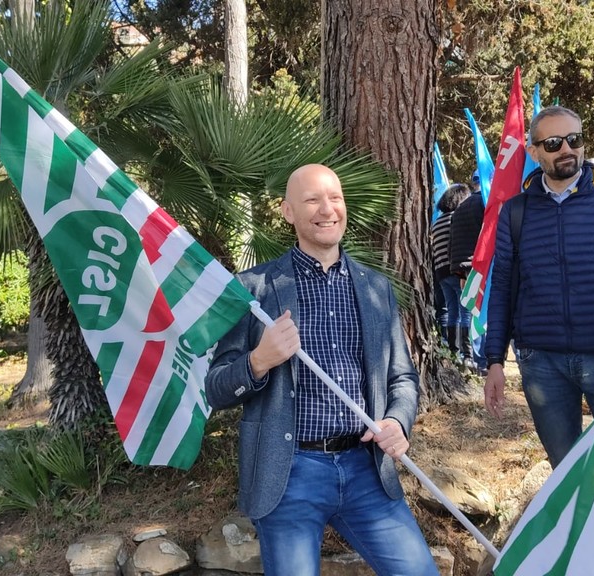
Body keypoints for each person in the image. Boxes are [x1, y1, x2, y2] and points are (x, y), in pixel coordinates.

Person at [205, 164, 439, 576]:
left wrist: (398, 421)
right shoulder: (253, 289)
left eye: (335, 198)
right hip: (290, 473)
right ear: (288, 212)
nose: (327, 209)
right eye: (312, 200)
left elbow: (402, 378)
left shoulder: (376, 287)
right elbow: (216, 388)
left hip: (366, 470)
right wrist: (259, 360)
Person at [482, 106, 594, 469]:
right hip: (542, 363)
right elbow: (502, 287)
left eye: (574, 139)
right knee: (565, 468)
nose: (566, 149)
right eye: (553, 143)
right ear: (534, 151)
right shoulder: (515, 212)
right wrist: (495, 361)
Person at [447, 172, 486, 370]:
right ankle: (481, 359)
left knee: (468, 310)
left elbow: (452, 242)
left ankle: (473, 357)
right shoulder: (485, 203)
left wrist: (458, 270)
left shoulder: (460, 208)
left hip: (462, 267)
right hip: (480, 264)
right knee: (480, 310)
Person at [431, 183, 472, 358]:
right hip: (457, 271)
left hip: (441, 273)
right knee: (466, 310)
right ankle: (467, 353)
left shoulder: (436, 223)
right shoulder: (456, 218)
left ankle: (453, 351)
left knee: (451, 310)